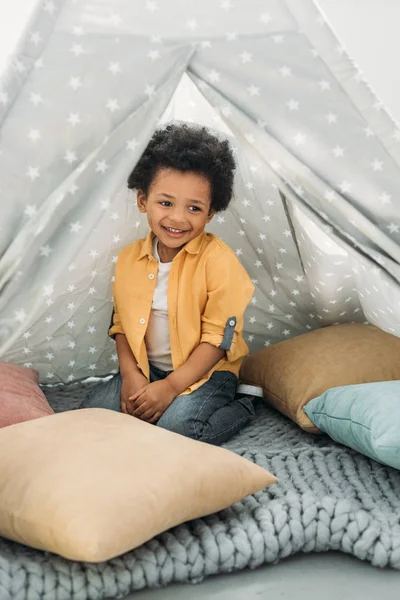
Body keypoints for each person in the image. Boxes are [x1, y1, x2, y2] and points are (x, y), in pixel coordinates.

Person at [81, 123, 256, 445]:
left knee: (176, 431)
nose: (177, 218)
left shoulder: (219, 262)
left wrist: (172, 388)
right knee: (90, 417)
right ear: (142, 200)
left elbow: (218, 340)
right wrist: (132, 376)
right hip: (148, 370)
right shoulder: (129, 259)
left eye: (194, 208)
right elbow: (121, 325)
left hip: (206, 375)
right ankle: (151, 395)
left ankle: (245, 404)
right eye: (165, 203)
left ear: (211, 213)